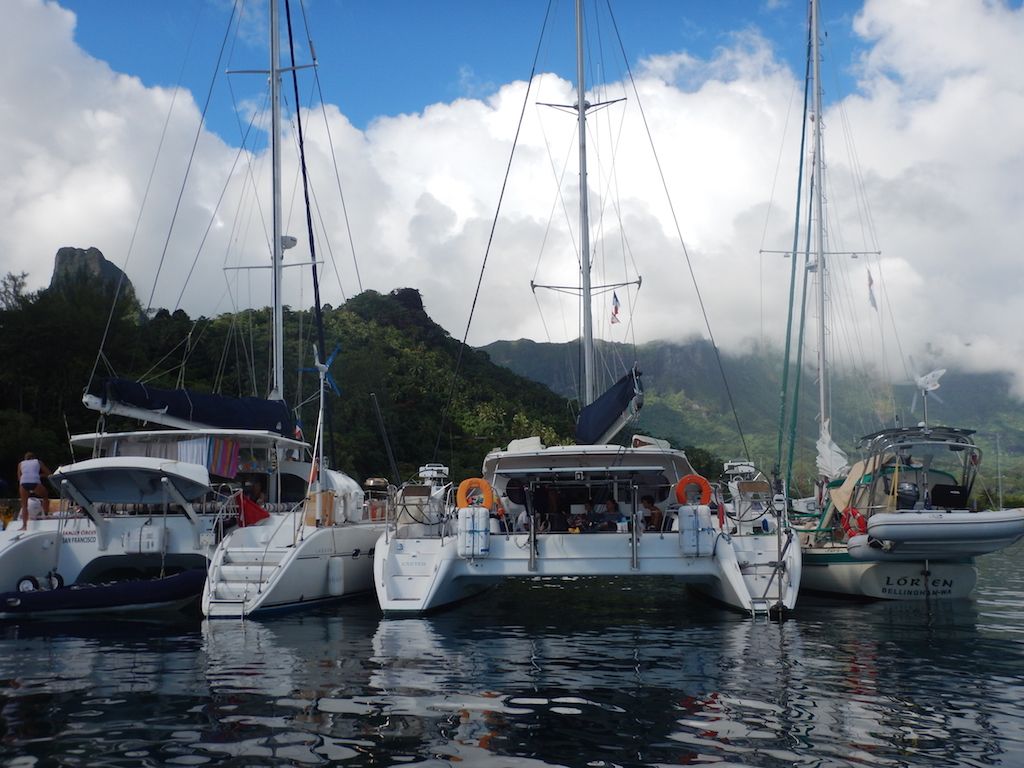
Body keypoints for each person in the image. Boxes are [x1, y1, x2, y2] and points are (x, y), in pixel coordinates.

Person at [17, 452, 51, 530]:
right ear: (33, 457)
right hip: (35, 482)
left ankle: (24, 526)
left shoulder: (20, 464)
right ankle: (46, 516)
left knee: (24, 505)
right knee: (45, 496)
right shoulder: (38, 462)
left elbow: (19, 477)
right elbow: (48, 473)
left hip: (23, 483)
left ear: (25, 459)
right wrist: (40, 475)